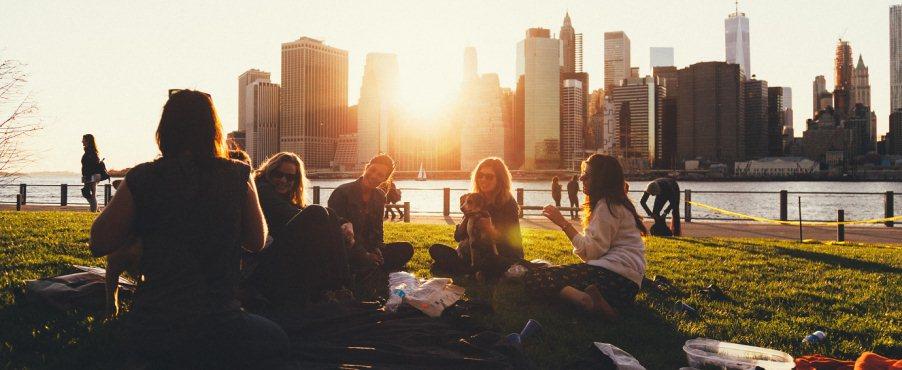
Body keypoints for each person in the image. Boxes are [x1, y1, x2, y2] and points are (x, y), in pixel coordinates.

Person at [87, 90, 292, 368]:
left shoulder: (143, 177)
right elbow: (257, 241)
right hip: (219, 323)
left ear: (165, 130)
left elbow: (99, 242)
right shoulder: (238, 174)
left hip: (154, 327)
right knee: (278, 339)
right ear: (213, 130)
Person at [524, 154, 647, 320]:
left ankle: (585, 300)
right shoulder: (617, 204)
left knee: (535, 277)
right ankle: (605, 305)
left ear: (601, 179)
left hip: (612, 276)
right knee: (557, 274)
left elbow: (590, 252)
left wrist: (563, 223)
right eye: (582, 172)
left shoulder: (606, 206)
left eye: (587, 175)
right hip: (627, 286)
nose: (581, 177)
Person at [242, 152, 353, 308]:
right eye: (278, 175)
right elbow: (297, 214)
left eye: (290, 177)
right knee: (318, 213)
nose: (283, 180)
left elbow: (300, 210)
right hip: (260, 265)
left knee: (329, 213)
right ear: (269, 172)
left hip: (277, 258)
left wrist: (345, 223)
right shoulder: (263, 190)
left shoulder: (283, 197)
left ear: (296, 181)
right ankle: (338, 286)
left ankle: (339, 287)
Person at [328, 154, 414, 297]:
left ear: (384, 179)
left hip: (368, 247)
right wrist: (365, 255)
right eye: (373, 170)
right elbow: (340, 234)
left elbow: (377, 229)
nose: (374, 176)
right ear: (366, 168)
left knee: (406, 249)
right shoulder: (342, 192)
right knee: (356, 262)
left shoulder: (380, 196)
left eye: (380, 175)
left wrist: (377, 248)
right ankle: (365, 268)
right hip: (346, 248)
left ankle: (371, 266)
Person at [429, 157, 524, 279]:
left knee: (490, 262)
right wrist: (465, 220)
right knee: (436, 250)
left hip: (501, 254)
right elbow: (458, 237)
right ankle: (470, 270)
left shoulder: (508, 204)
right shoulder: (474, 199)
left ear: (500, 180)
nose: (483, 179)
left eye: (489, 176)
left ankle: (467, 270)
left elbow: (510, 242)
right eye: (480, 175)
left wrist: (490, 230)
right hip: (472, 253)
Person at [80, 134, 102, 212]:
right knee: (88, 193)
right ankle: (97, 210)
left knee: (90, 194)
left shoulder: (91, 152)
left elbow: (92, 166)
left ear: (88, 141)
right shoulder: (89, 151)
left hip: (91, 176)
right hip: (88, 176)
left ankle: (93, 211)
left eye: (83, 140)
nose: (82, 141)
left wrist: (89, 177)